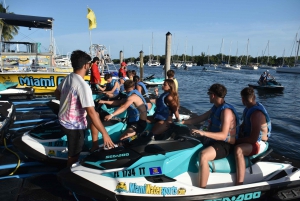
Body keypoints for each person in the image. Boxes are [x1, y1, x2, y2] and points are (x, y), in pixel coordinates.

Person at [54, 50, 114, 167]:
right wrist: (105, 134)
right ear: (86, 65)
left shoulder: (69, 77)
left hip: (63, 118)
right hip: (73, 126)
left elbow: (57, 92)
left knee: (95, 114)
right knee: (74, 155)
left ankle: (95, 145)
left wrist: (68, 103)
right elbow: (90, 111)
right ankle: (69, 173)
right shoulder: (83, 86)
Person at [182, 83, 239, 188]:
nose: (208, 96)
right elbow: (200, 118)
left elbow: (223, 136)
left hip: (225, 145)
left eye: (209, 94)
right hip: (213, 140)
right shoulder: (215, 108)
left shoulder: (226, 111)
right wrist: (183, 123)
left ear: (213, 95)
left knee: (204, 155)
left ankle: (202, 189)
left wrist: (203, 133)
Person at [234, 87, 271, 185]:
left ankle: (239, 183)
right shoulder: (248, 109)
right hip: (251, 139)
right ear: (254, 97)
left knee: (239, 150)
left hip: (260, 142)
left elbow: (253, 139)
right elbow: (244, 125)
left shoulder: (256, 114)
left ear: (242, 99)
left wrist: (235, 140)